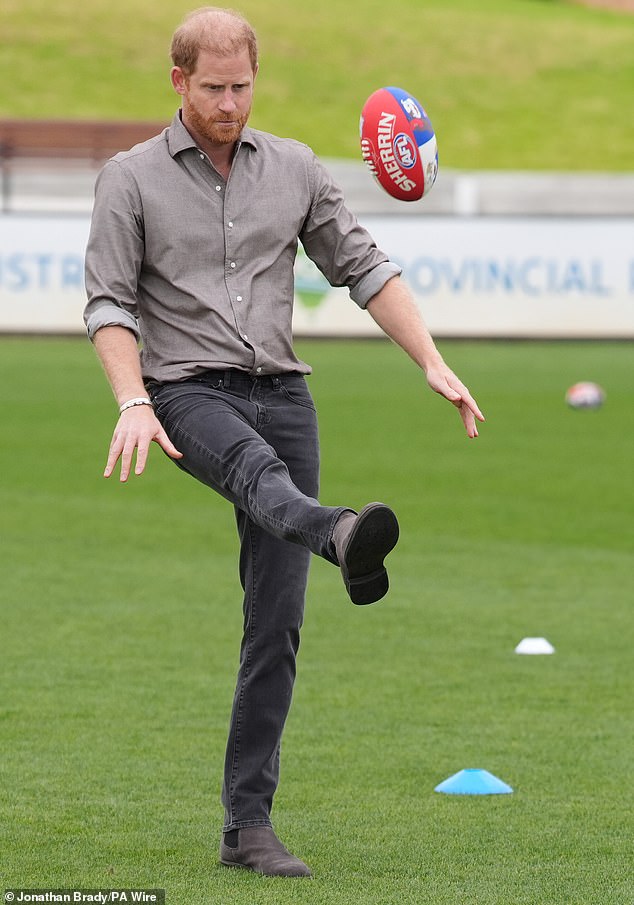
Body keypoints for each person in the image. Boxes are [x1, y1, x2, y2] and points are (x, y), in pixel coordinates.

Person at [84, 6, 484, 878]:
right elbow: (109, 305)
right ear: (179, 80)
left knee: (278, 621)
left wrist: (431, 359)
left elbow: (363, 265)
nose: (231, 104)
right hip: (185, 393)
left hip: (286, 391)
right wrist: (130, 399)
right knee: (257, 476)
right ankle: (343, 534)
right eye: (214, 88)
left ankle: (247, 826)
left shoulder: (296, 167)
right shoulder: (129, 179)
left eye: (243, 86)